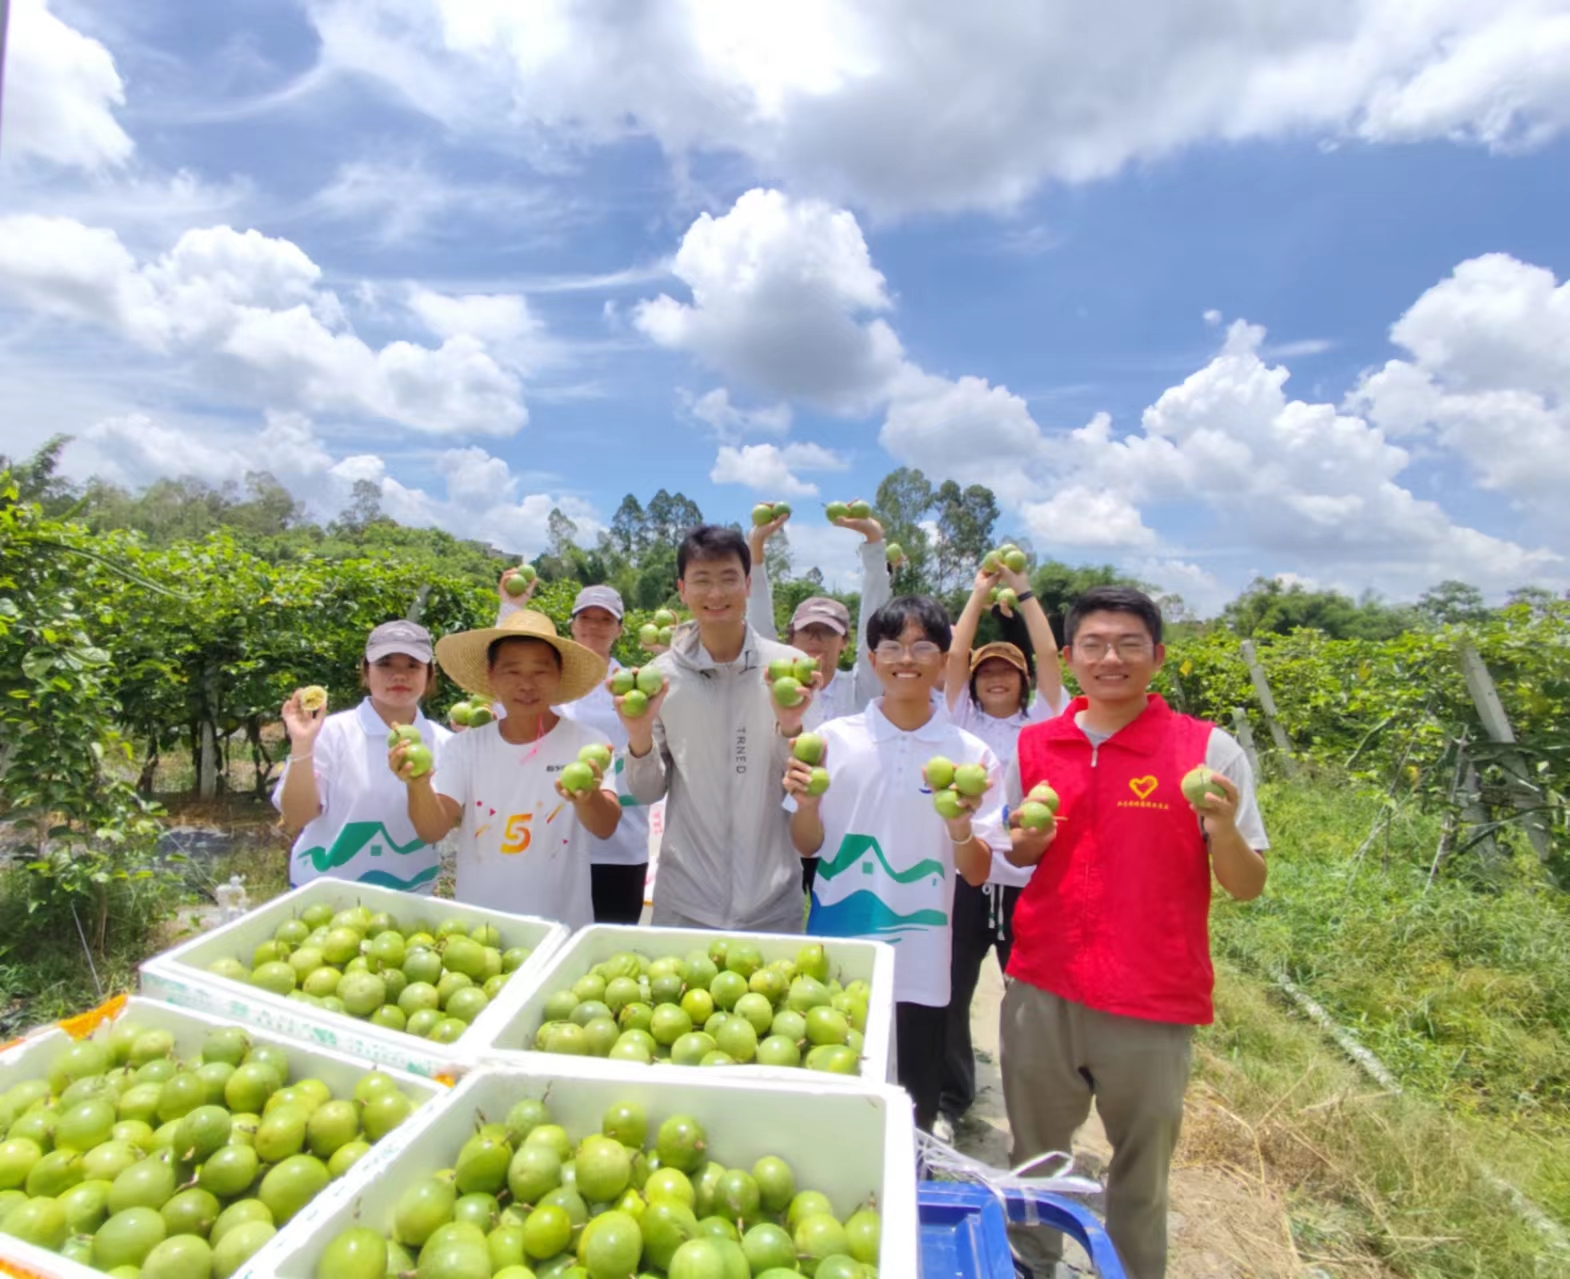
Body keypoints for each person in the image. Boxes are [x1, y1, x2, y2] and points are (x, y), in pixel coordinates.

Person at [1001, 587, 1269, 1279]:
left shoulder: (1205, 750)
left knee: (1140, 1173)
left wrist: (1222, 826)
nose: (1110, 657)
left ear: (1158, 656)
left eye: (1128, 644)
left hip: (1152, 998)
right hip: (1043, 984)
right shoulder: (1037, 744)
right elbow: (1021, 854)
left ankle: (1130, 1268)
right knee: (1034, 1155)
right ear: (1069, 656)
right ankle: (1029, 1263)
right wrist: (1023, 838)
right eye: (1093, 644)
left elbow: (1246, 883)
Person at [784, 596, 1007, 1132]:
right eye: (892, 647)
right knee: (832, 1093)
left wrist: (958, 827)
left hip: (922, 959)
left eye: (923, 646)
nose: (907, 659)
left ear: (946, 657)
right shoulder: (833, 742)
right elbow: (805, 845)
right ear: (870, 656)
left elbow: (977, 873)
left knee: (910, 1106)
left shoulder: (970, 754)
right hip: (839, 948)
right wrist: (809, 804)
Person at [622, 524, 817, 932]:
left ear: (747, 584)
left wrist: (790, 726)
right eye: (702, 581)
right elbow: (646, 792)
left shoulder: (791, 670)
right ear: (682, 589)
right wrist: (638, 737)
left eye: (729, 579)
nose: (716, 594)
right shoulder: (660, 679)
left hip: (772, 903)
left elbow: (801, 785)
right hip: (685, 904)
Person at [936, 562, 1066, 1140]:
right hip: (968, 875)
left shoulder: (1041, 724)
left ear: (1022, 683)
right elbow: (955, 656)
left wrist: (1026, 593)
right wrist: (978, 595)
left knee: (1031, 1004)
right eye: (986, 671)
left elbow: (1049, 659)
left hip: (1027, 882)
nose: (993, 677)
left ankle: (1036, 1108)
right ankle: (950, 1097)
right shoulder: (958, 722)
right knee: (952, 991)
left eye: (1005, 672)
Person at [395, 609, 620, 929]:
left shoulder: (587, 745)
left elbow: (605, 826)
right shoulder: (465, 748)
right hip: (479, 933)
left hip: (559, 930)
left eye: (540, 671)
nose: (526, 684)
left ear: (559, 675)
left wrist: (587, 798)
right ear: (491, 676)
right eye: (512, 671)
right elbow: (432, 830)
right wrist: (417, 783)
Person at [499, 577, 651, 925]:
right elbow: (502, 697)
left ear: (619, 630)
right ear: (572, 624)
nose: (595, 627)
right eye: (586, 618)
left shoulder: (636, 685)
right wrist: (511, 608)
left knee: (610, 952)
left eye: (605, 619)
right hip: (553, 841)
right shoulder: (546, 681)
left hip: (620, 843)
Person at [277, 620, 451, 893]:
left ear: (429, 675)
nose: (399, 675)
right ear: (366, 672)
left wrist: (418, 783)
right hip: (326, 893)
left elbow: (435, 831)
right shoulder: (330, 733)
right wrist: (302, 745)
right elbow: (297, 817)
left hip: (409, 896)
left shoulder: (445, 743)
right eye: (385, 664)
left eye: (412, 666)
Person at [746, 507, 893, 729]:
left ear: (844, 642)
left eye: (828, 631)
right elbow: (759, 628)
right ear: (791, 638)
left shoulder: (859, 689)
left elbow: (874, 623)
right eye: (807, 630)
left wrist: (873, 539)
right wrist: (755, 548)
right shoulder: (774, 684)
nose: (815, 638)